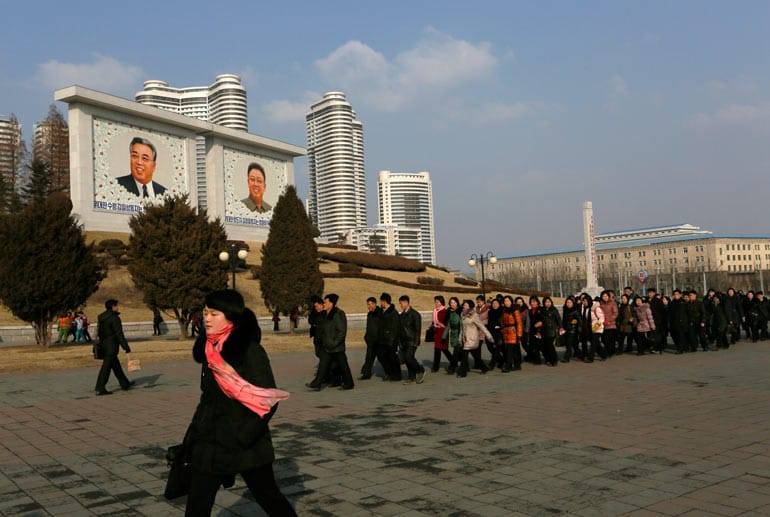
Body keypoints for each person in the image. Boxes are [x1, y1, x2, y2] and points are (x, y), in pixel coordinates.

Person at [185, 289, 294, 516]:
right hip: (210, 442)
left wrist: (243, 436)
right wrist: (192, 436)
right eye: (205, 312)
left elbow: (268, 400)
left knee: (269, 497)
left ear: (230, 316)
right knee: (197, 503)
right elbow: (207, 399)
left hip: (246, 444)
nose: (206, 318)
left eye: (213, 313)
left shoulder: (250, 351)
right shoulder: (210, 350)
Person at [306, 294, 354, 391]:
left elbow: (342, 331)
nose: (324, 304)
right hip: (327, 346)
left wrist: (334, 342)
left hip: (336, 347)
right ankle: (317, 383)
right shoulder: (326, 314)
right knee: (323, 365)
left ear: (331, 304)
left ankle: (349, 383)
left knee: (343, 366)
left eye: (326, 302)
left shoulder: (336, 315)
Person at [94, 299, 135, 396]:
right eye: (117, 305)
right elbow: (119, 334)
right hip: (111, 346)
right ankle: (100, 388)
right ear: (113, 306)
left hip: (104, 345)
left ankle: (125, 384)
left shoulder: (101, 317)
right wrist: (126, 346)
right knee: (106, 368)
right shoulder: (114, 318)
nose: (118, 307)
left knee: (116, 366)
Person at [456, 299, 492, 377]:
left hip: (472, 338)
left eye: (466, 305)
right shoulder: (462, 314)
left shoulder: (474, 315)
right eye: (463, 305)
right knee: (476, 356)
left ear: (470, 306)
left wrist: (489, 335)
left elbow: (481, 326)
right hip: (465, 338)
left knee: (464, 356)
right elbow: (462, 328)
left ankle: (462, 372)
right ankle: (484, 367)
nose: (464, 306)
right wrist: (460, 338)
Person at [398, 295, 426, 384]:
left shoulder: (415, 314)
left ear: (406, 302)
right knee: (406, 359)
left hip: (412, 341)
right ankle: (411, 377)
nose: (400, 305)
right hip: (403, 341)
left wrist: (416, 341)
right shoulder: (401, 315)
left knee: (409, 358)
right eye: (400, 303)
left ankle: (420, 370)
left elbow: (418, 329)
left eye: (401, 303)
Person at [378, 293, 403, 382]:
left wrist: (391, 340)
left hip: (391, 340)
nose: (380, 303)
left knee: (393, 358)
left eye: (381, 301)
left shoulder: (393, 313)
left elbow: (395, 328)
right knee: (381, 356)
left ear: (384, 301)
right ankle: (389, 373)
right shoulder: (382, 311)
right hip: (383, 339)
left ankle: (397, 375)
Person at [500, 295, 524, 371]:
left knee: (509, 350)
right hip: (506, 332)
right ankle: (517, 365)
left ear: (511, 301)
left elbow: (519, 323)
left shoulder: (515, 310)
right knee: (513, 350)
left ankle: (508, 366)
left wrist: (519, 334)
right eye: (505, 301)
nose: (506, 302)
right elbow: (502, 321)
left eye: (508, 301)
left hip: (513, 331)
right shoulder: (504, 311)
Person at [360, 297, 381, 380]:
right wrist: (366, 336)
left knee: (383, 358)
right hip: (370, 340)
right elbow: (368, 327)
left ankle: (391, 372)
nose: (368, 306)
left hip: (378, 341)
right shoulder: (369, 314)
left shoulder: (380, 313)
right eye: (367, 304)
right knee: (369, 357)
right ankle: (366, 374)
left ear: (374, 304)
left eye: (369, 304)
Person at [430, 295, 452, 372]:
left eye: (437, 302)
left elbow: (445, 323)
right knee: (437, 349)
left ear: (441, 302)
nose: (436, 303)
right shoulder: (435, 310)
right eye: (435, 302)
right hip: (437, 332)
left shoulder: (444, 311)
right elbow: (434, 321)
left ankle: (453, 361)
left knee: (444, 349)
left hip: (443, 332)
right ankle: (435, 367)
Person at [443, 297, 463, 374]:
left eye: (454, 302)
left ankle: (452, 367)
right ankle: (465, 366)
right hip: (453, 334)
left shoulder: (460, 311)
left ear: (457, 303)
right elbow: (448, 325)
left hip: (460, 333)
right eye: (451, 303)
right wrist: (444, 336)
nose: (452, 304)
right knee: (459, 352)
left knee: (456, 352)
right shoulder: (449, 312)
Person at [540, 296, 561, 367]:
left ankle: (554, 360)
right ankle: (548, 359)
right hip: (543, 330)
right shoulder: (542, 310)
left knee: (550, 346)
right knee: (544, 346)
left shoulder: (554, 310)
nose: (547, 303)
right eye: (546, 302)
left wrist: (560, 327)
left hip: (552, 331)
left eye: (549, 302)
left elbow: (558, 319)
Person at [560, 296, 582, 363]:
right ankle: (580, 355)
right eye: (567, 302)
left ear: (573, 303)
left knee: (569, 344)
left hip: (573, 330)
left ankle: (567, 357)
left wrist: (578, 328)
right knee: (574, 344)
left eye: (570, 302)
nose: (568, 304)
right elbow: (563, 320)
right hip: (566, 329)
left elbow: (580, 320)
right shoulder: (565, 310)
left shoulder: (575, 311)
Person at [486, 298, 505, 370]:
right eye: (493, 303)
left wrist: (499, 326)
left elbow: (503, 322)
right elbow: (490, 322)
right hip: (491, 331)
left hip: (500, 332)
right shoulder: (490, 312)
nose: (494, 305)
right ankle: (501, 360)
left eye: (496, 303)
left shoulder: (502, 311)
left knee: (497, 348)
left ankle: (492, 364)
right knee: (490, 347)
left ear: (499, 304)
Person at [599, 290, 619, 357]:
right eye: (603, 296)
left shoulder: (613, 303)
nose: (605, 297)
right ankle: (609, 350)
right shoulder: (601, 304)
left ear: (608, 296)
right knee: (604, 339)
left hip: (611, 324)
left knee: (610, 339)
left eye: (606, 296)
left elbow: (615, 313)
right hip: (603, 324)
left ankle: (609, 352)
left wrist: (609, 320)